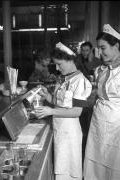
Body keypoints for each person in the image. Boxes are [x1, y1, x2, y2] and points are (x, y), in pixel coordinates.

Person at [35, 42, 92, 180]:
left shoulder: (80, 81)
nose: (57, 68)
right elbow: (59, 103)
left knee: (68, 170)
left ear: (71, 60)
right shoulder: (64, 79)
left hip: (70, 133)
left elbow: (76, 112)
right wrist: (46, 96)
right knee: (60, 167)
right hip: (59, 128)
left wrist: (50, 111)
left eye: (59, 64)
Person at [84, 24, 120, 180]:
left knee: (117, 168)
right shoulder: (100, 70)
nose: (100, 53)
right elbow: (96, 96)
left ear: (117, 46)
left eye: (103, 48)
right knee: (96, 169)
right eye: (99, 49)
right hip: (98, 125)